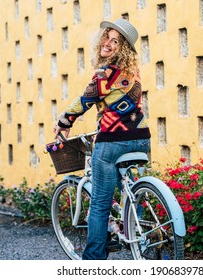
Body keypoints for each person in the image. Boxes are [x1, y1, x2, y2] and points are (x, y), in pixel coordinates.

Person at [53, 18, 151, 260]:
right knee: (128, 189)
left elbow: (84, 101)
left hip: (111, 142)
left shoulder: (106, 73)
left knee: (99, 204)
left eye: (115, 41)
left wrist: (64, 122)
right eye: (106, 37)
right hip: (141, 139)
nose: (107, 43)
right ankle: (136, 232)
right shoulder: (133, 73)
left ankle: (93, 263)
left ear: (123, 48)